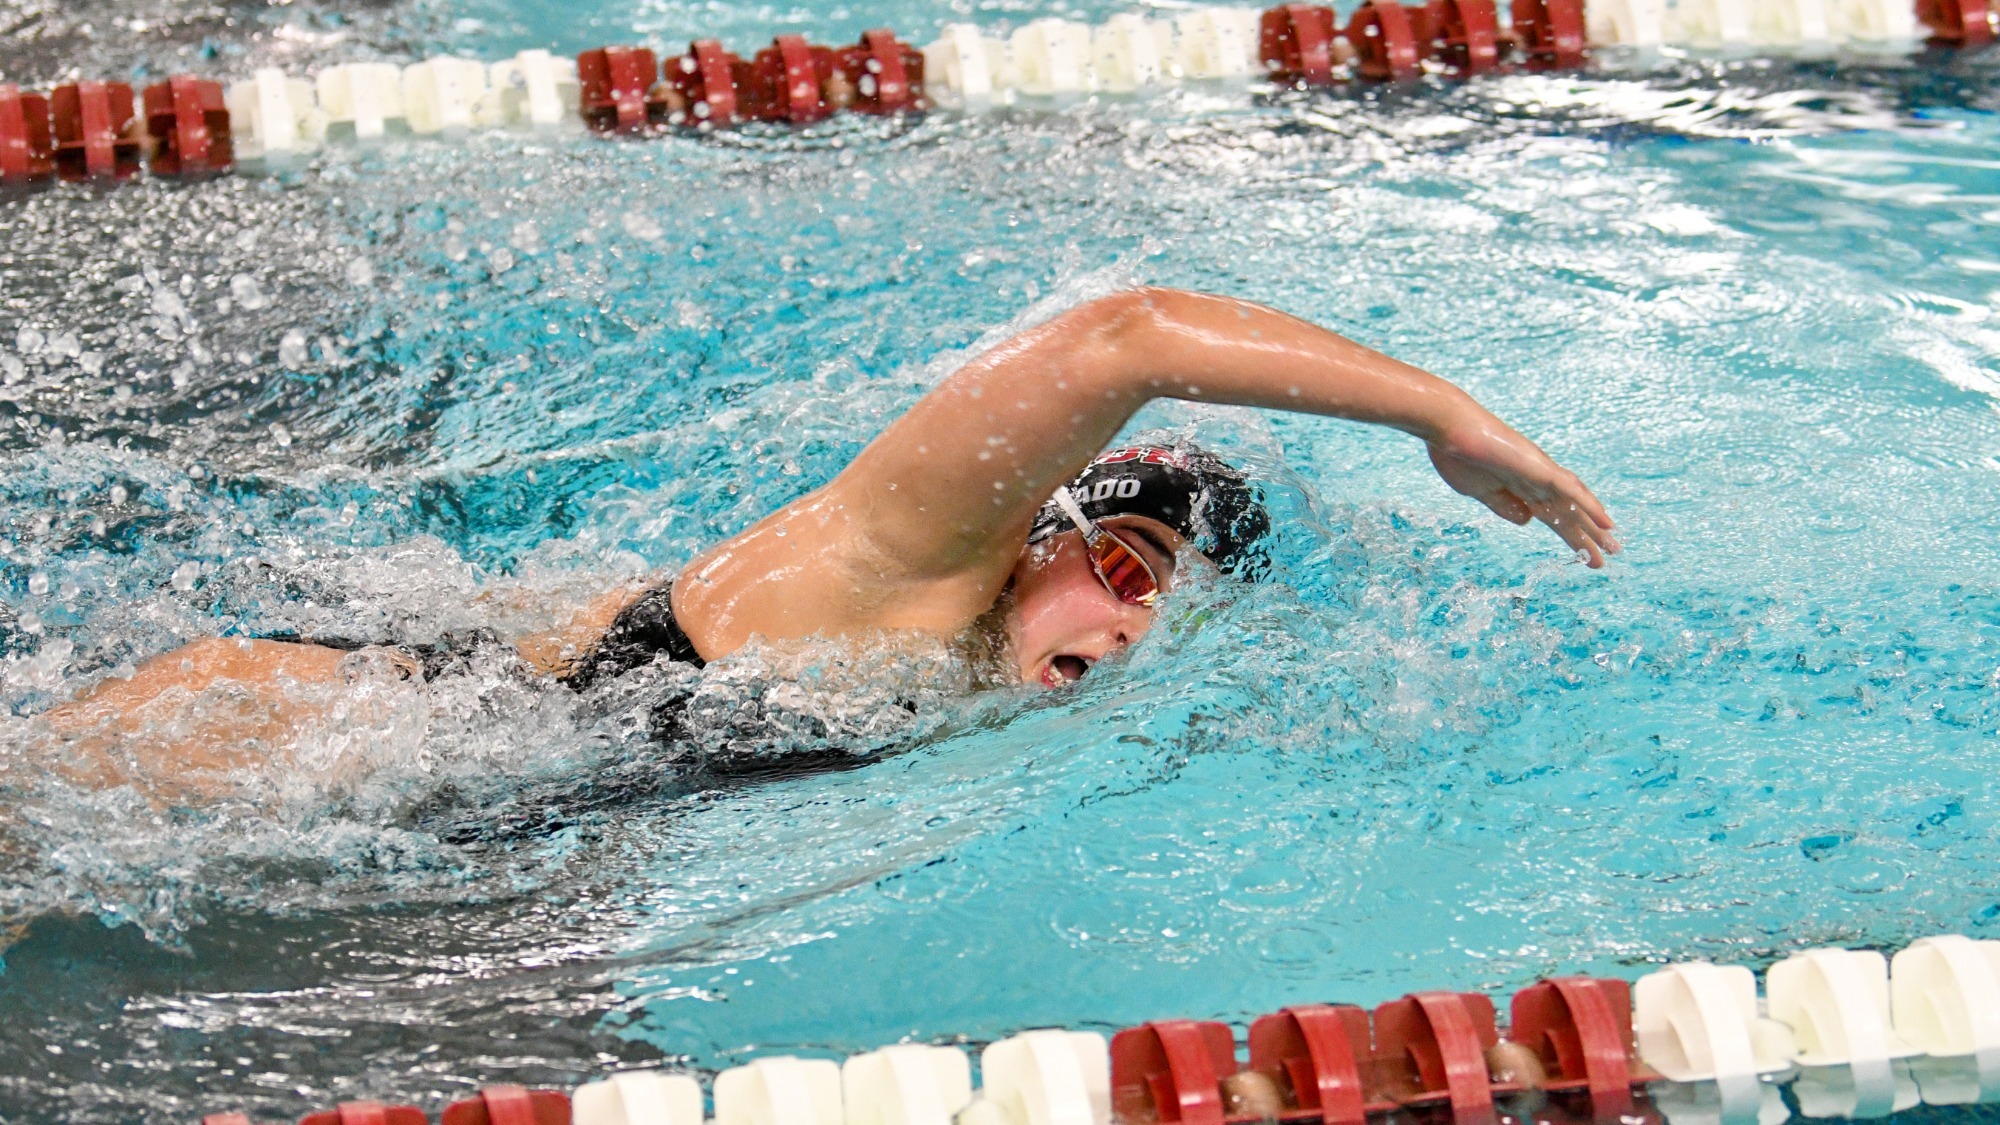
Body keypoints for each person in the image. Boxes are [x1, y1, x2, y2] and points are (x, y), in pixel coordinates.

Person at [42, 288, 1616, 787]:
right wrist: (1438, 412)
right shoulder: (917, 557)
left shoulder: (986, 672)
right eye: (1126, 570)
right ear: (1037, 534)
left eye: (1164, 615)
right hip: (306, 719)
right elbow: (1122, 337)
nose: (1130, 626)